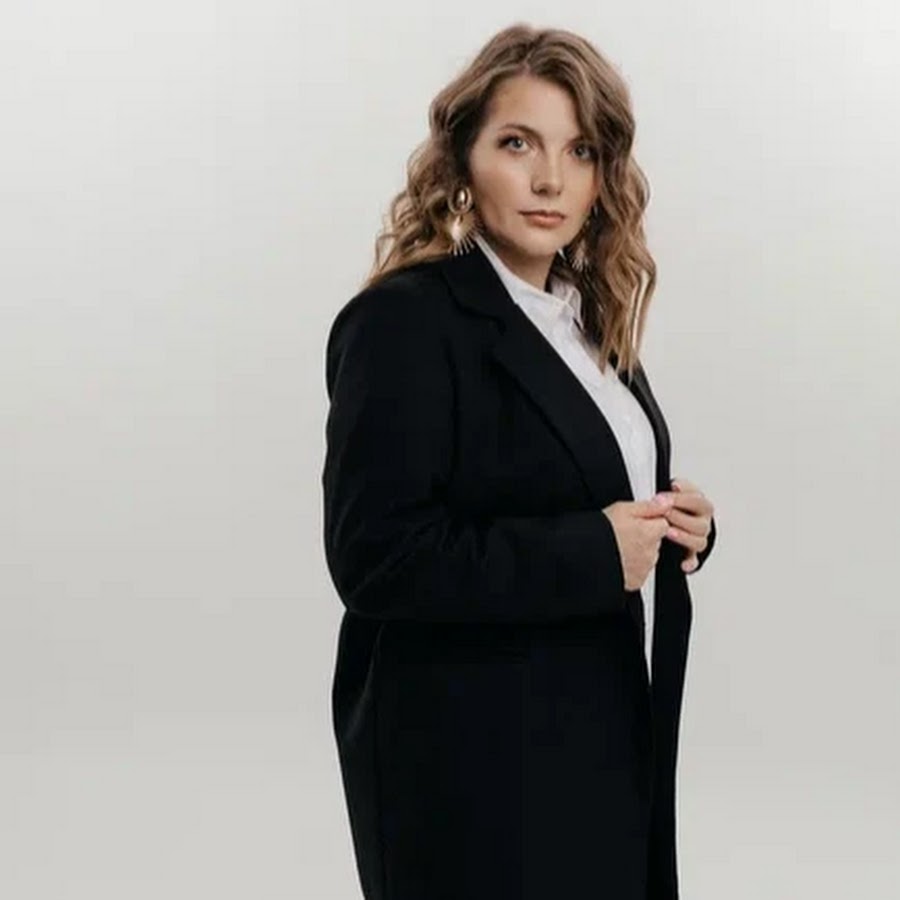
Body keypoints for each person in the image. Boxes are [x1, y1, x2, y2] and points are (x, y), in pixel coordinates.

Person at [322, 22, 717, 900]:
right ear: (462, 159)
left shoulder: (582, 316)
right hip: (472, 761)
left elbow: (573, 484)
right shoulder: (405, 323)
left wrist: (678, 522)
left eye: (579, 151)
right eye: (517, 143)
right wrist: (594, 551)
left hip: (597, 733)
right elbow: (375, 558)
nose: (550, 180)